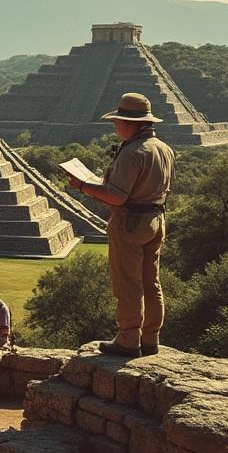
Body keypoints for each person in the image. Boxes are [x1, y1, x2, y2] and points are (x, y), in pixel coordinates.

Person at [68, 92, 174, 358]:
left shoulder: (133, 152)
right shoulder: (163, 148)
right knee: (152, 282)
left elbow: (116, 196)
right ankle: (150, 339)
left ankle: (128, 339)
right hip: (156, 220)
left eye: (117, 122)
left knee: (127, 284)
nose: (115, 127)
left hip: (130, 222)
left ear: (128, 123)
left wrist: (83, 186)